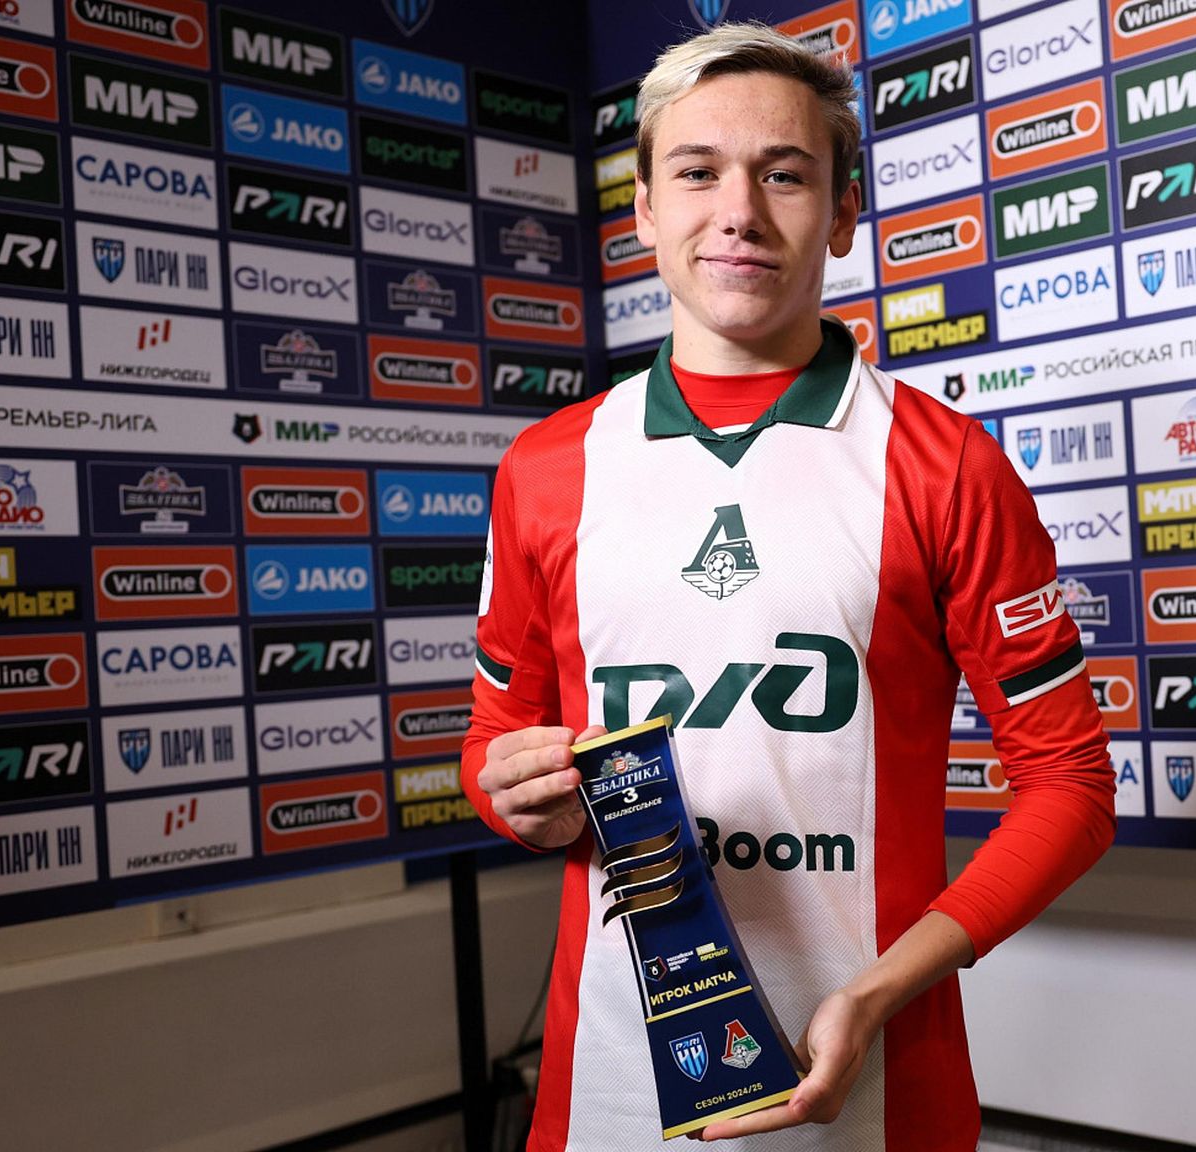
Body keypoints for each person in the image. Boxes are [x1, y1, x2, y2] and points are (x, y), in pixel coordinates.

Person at [460, 22, 1116, 1151]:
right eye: (696, 172)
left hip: (877, 1086)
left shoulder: (944, 464)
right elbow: (494, 746)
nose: (738, 212)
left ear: (844, 212)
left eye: (784, 174)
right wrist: (517, 796)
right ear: (644, 212)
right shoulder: (546, 469)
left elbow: (1070, 787)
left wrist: (877, 990)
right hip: (608, 1094)